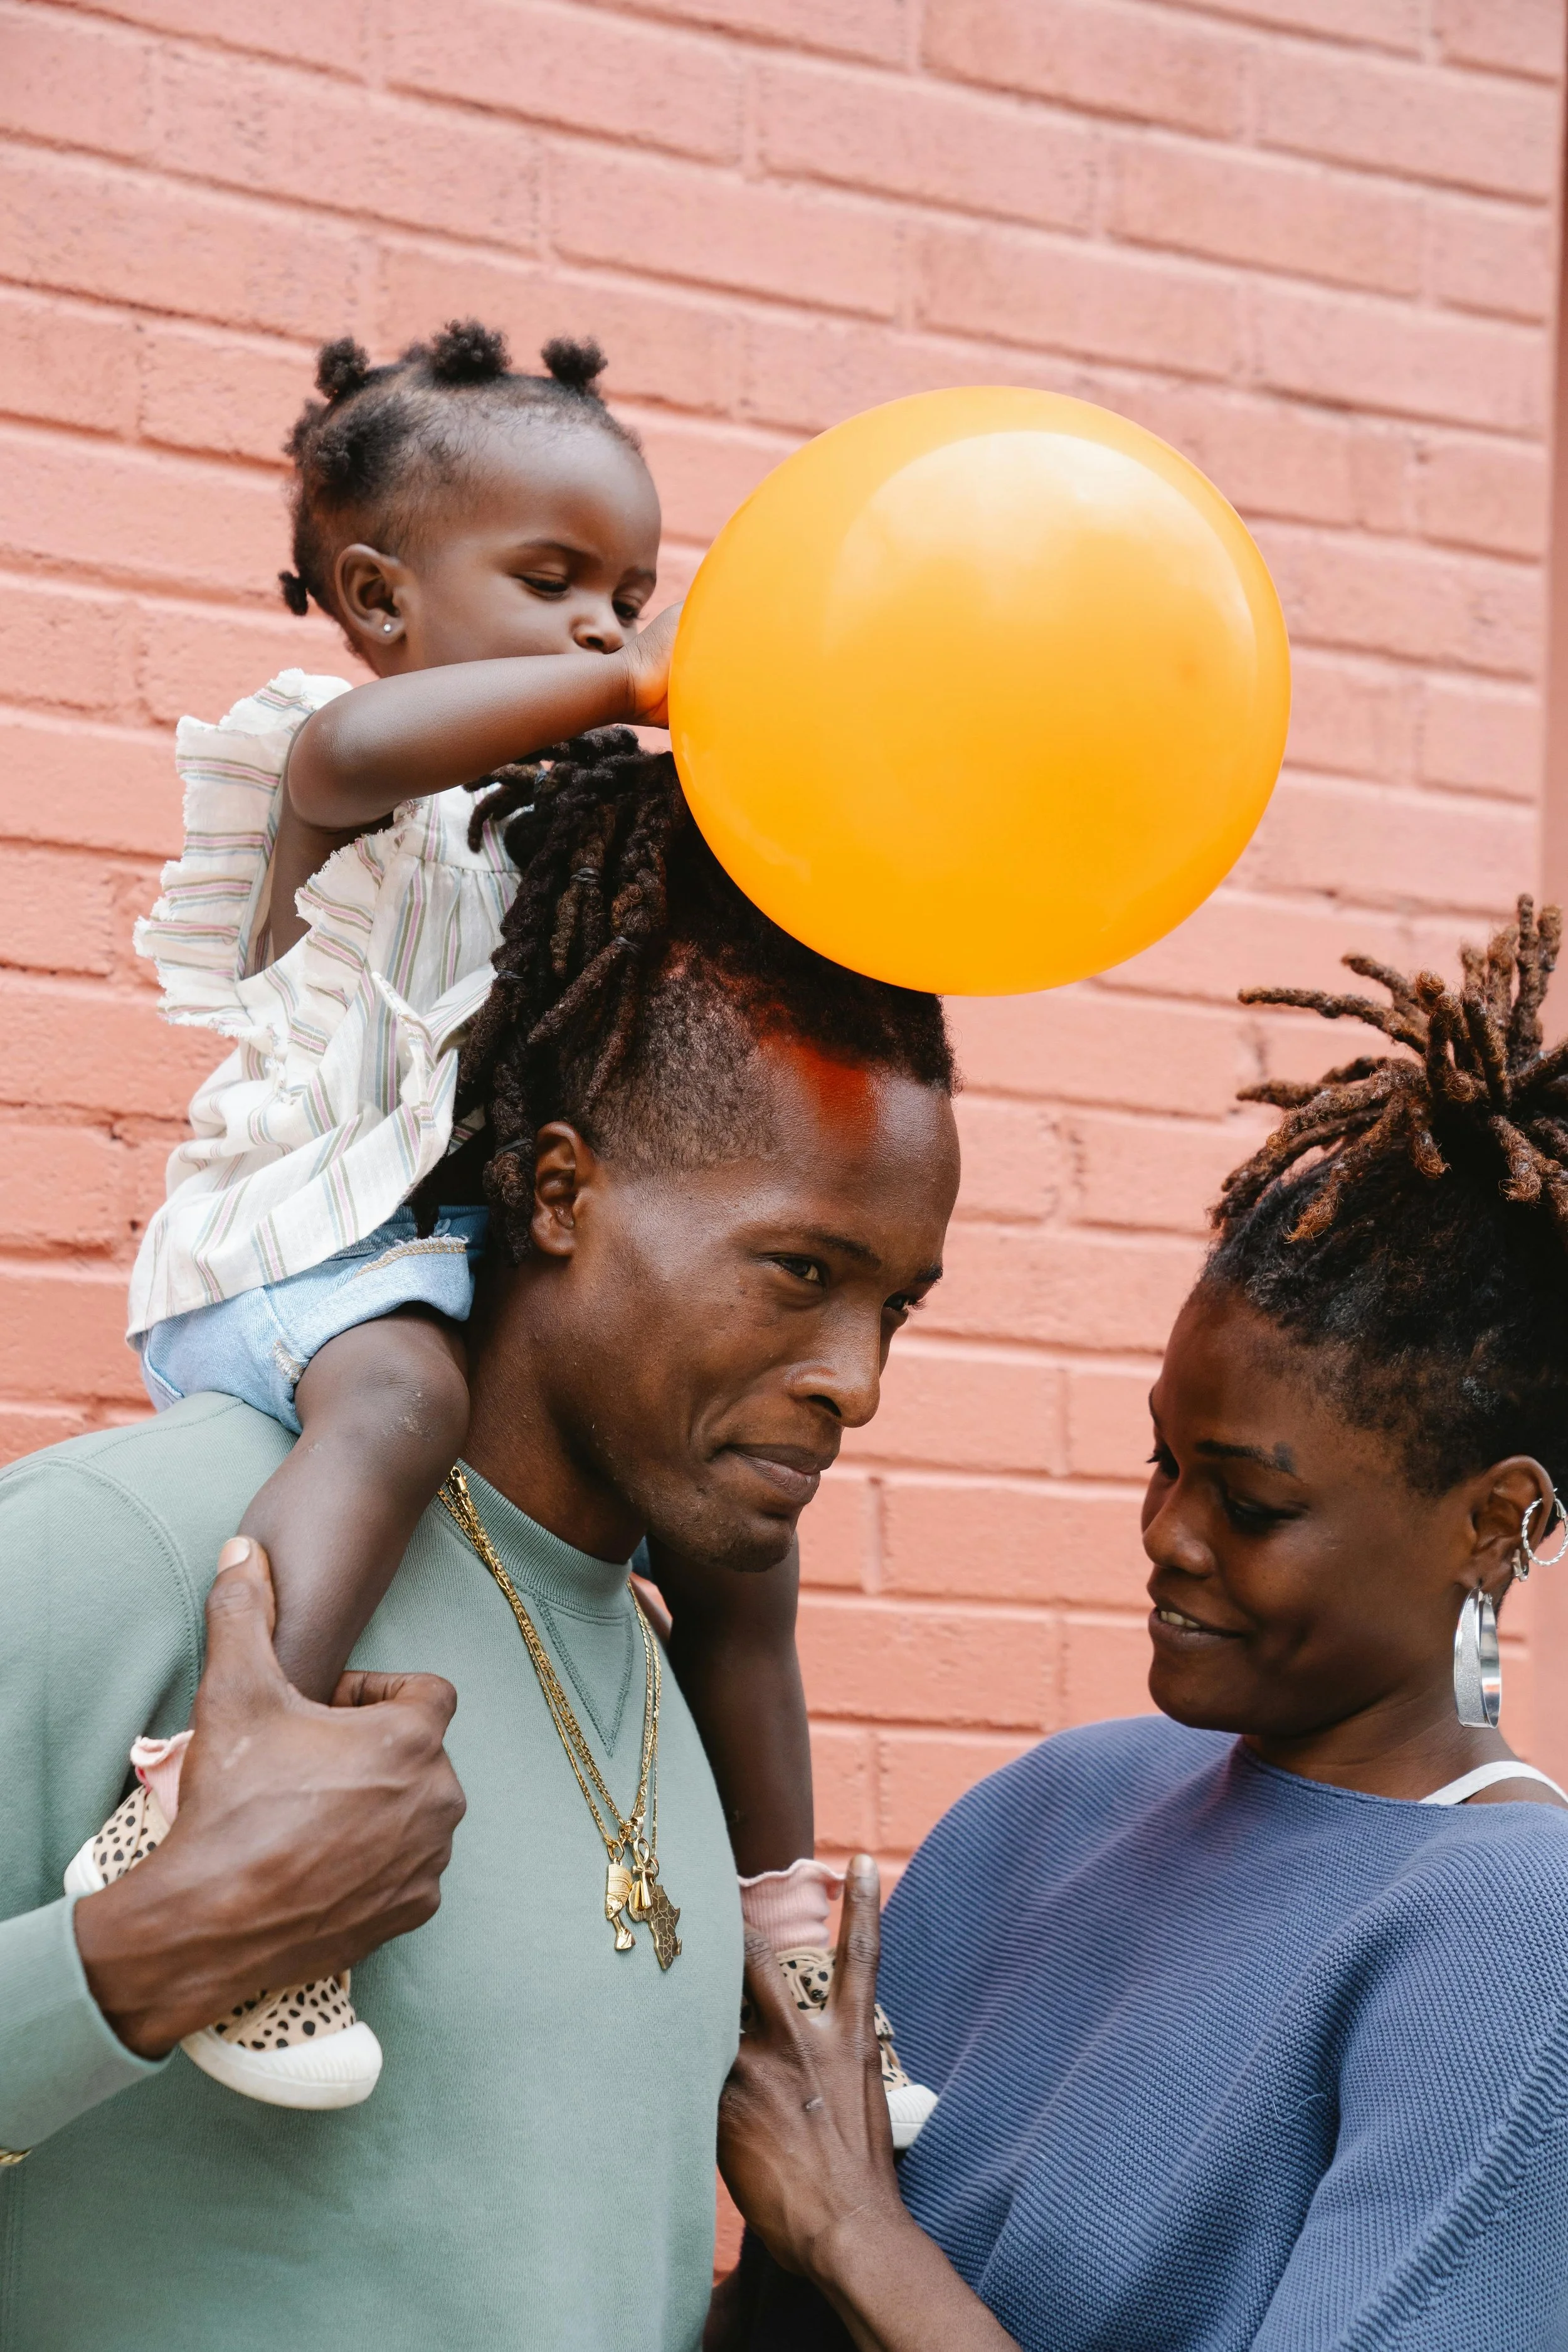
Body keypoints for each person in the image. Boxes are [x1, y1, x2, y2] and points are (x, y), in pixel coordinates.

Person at [0, 734, 961, 2348]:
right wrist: (147, 1949)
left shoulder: (673, 1686)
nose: (855, 1384)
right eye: (799, 1272)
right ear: (564, 1192)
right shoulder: (141, 1550)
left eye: (897, 1306)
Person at [87, 319, 881, 2109]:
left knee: (739, 1551)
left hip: (429, 1270)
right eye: (554, 581)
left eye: (630, 594)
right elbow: (372, 746)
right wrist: (623, 692)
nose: (606, 629)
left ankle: (781, 1929)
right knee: (403, 1399)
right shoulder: (335, 760)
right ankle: (205, 1803)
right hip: (283, 1258)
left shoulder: (557, 822)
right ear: (375, 595)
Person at [712, 900, 1568, 2352]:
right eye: (1161, 1460)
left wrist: (856, 2233)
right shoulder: (1044, 1813)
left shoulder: (1511, 1938)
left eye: (1247, 1502)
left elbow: (829, 2224)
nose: (1165, 1533)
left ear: (1488, 1521)